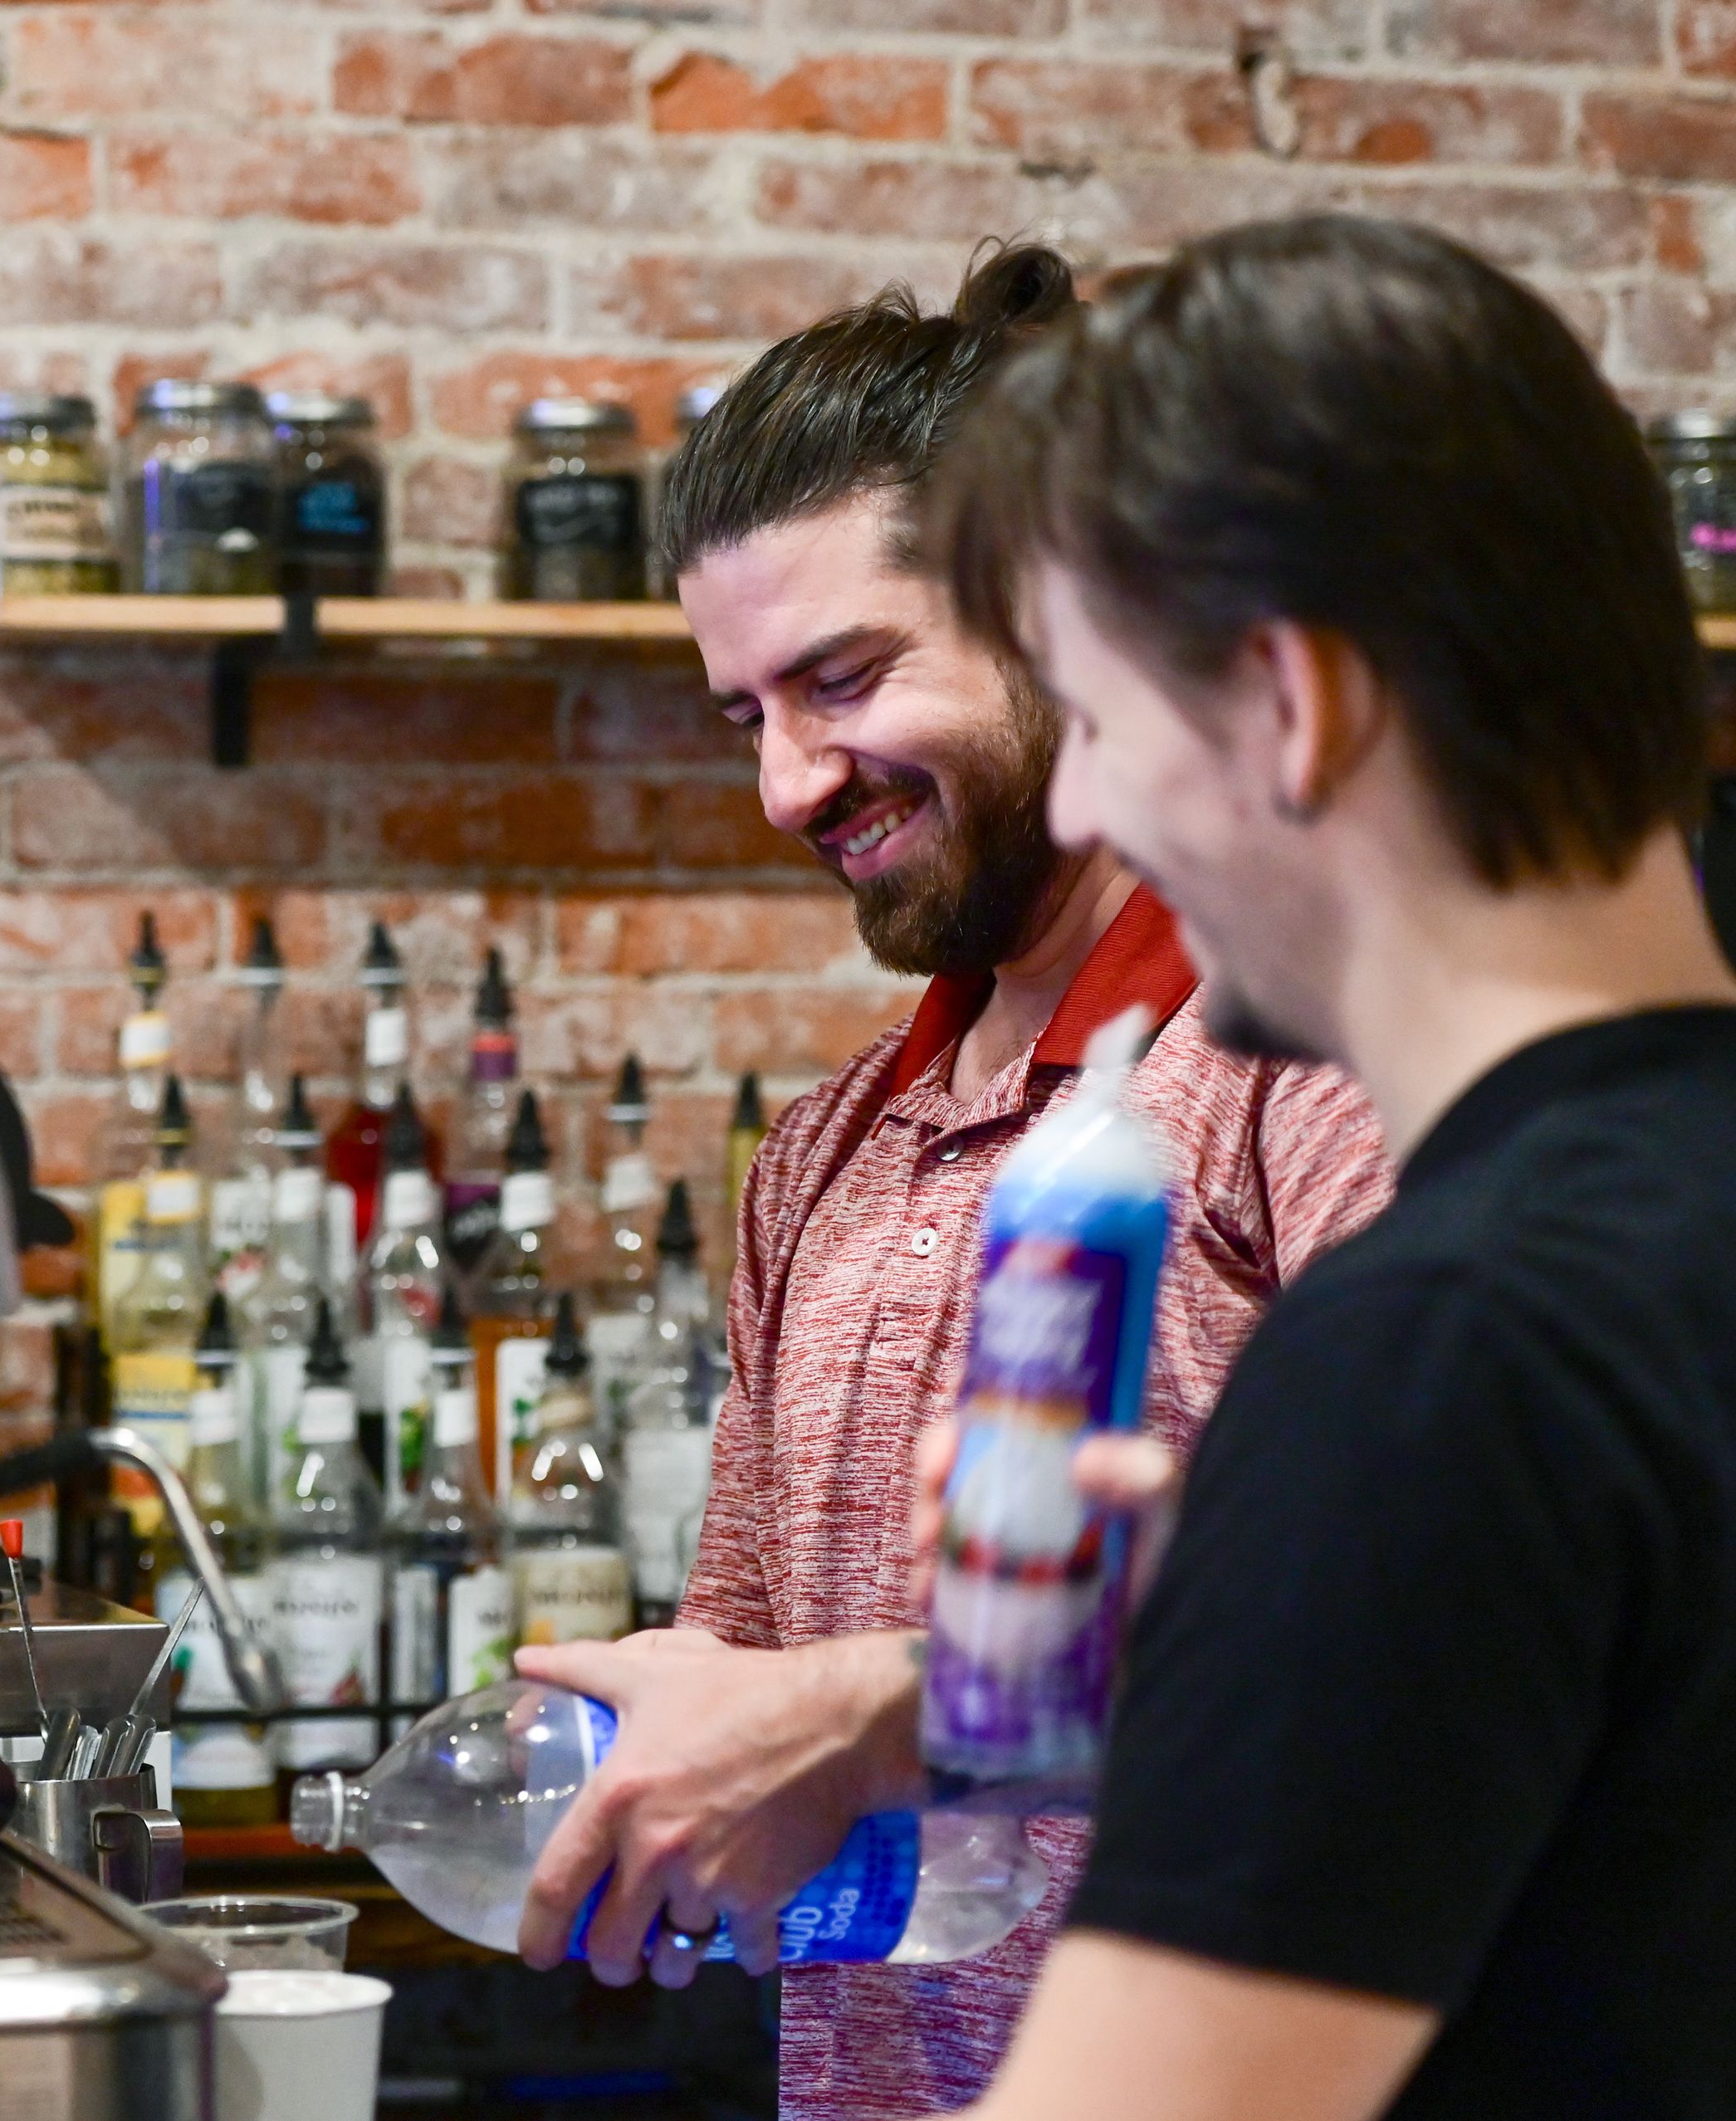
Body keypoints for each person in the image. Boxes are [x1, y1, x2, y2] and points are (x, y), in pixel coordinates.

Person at [506, 246, 1393, 2117]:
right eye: (745, 713)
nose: (790, 784)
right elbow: (748, 1690)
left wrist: (871, 1712)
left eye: (841, 677)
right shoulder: (825, 1153)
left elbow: (1457, 1620)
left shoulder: (1297, 1067)